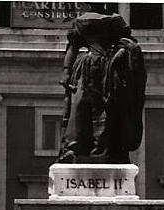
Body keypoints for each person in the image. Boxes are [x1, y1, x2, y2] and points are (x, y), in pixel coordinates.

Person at [58, 13, 147, 164]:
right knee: (80, 106)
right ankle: (74, 147)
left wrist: (122, 53)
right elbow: (73, 47)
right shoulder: (81, 23)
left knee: (108, 109)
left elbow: (130, 44)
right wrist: (66, 71)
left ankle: (107, 148)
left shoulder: (114, 22)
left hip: (109, 68)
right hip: (86, 66)